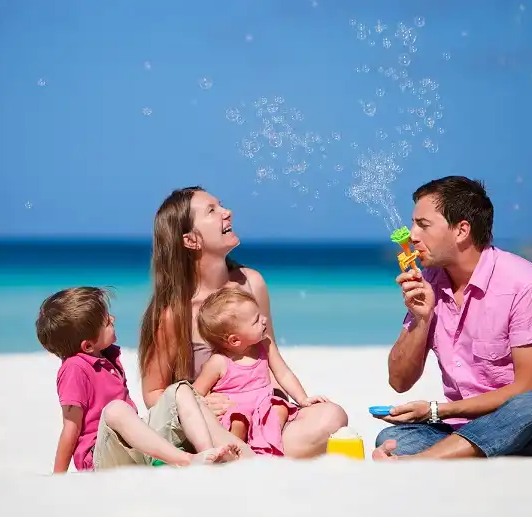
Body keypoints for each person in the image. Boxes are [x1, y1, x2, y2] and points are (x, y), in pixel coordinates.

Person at [372, 176, 532, 461]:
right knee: (393, 437)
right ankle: (460, 453)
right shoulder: (429, 285)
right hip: (468, 428)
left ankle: (423, 461)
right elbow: (399, 381)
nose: (412, 235)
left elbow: (529, 389)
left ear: (461, 230)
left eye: (423, 225)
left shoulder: (525, 285)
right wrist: (420, 319)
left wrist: (436, 410)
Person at [138, 186, 348, 459]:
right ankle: (250, 455)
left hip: (263, 417)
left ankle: (254, 453)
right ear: (191, 241)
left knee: (332, 415)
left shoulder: (251, 283)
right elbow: (153, 393)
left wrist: (283, 405)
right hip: (213, 426)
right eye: (212, 211)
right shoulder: (174, 313)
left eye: (221, 205)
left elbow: (270, 361)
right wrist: (196, 403)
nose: (228, 213)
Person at [36, 286, 243, 473]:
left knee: (181, 389)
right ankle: (186, 460)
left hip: (134, 447)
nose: (113, 319)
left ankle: (208, 453)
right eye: (107, 322)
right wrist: (58, 477)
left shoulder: (109, 357)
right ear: (88, 346)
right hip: (101, 456)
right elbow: (70, 427)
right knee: (116, 409)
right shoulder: (74, 368)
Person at [192, 287, 330, 456]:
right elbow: (195, 393)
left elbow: (283, 373)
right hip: (235, 410)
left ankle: (267, 446)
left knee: (280, 409)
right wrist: (207, 401)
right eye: (256, 320)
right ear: (235, 340)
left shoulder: (265, 345)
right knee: (238, 421)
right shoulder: (218, 362)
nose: (264, 320)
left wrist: (302, 398)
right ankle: (234, 451)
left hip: (263, 408)